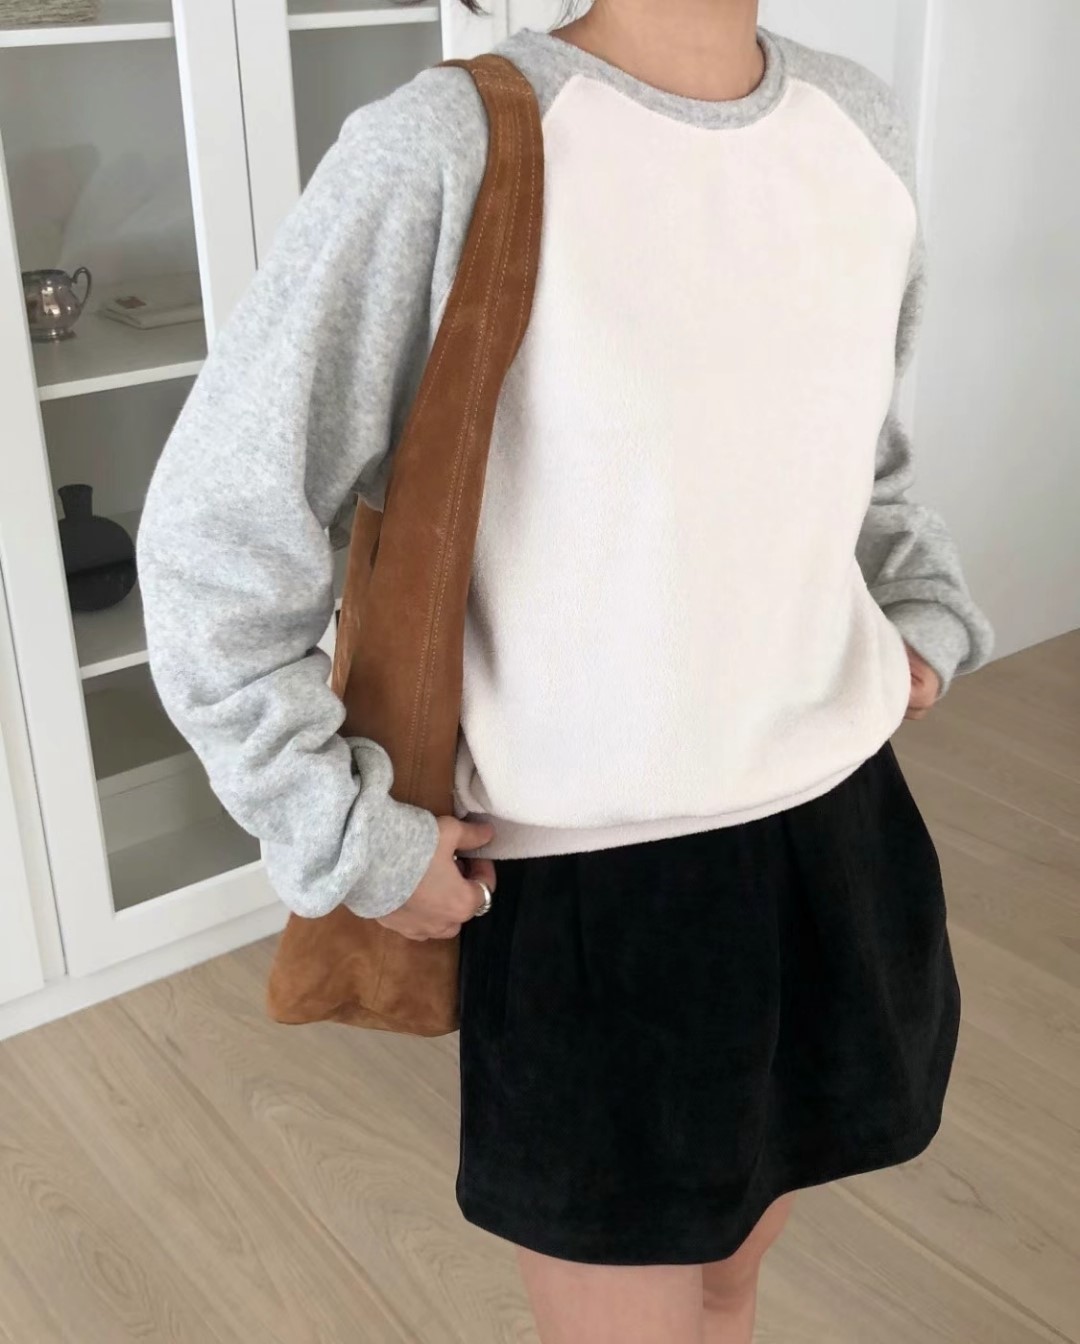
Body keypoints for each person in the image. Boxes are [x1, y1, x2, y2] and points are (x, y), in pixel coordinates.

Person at [137, 0, 996, 1339]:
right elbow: (217, 534)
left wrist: (922, 611)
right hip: (604, 889)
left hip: (841, 834)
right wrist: (339, 829)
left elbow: (857, 455)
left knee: (734, 1277)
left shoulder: (856, 124)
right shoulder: (453, 143)